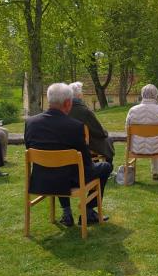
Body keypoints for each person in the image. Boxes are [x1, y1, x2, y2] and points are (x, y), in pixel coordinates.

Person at [24, 83, 113, 227]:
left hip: (41, 178)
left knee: (57, 166)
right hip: (68, 179)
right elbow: (86, 163)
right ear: (67, 103)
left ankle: (66, 212)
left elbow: (29, 149)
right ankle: (89, 210)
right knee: (105, 167)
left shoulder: (30, 123)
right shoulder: (75, 126)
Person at [125, 83, 158, 180]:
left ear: (142, 94)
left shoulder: (132, 110)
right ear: (156, 95)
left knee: (154, 142)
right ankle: (157, 169)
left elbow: (127, 129)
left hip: (136, 148)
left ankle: (154, 171)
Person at [68, 82, 115, 163]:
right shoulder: (84, 111)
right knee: (107, 140)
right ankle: (107, 167)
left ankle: (96, 166)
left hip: (68, 142)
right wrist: (105, 133)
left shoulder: (64, 109)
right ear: (79, 95)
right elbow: (99, 131)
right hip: (83, 144)